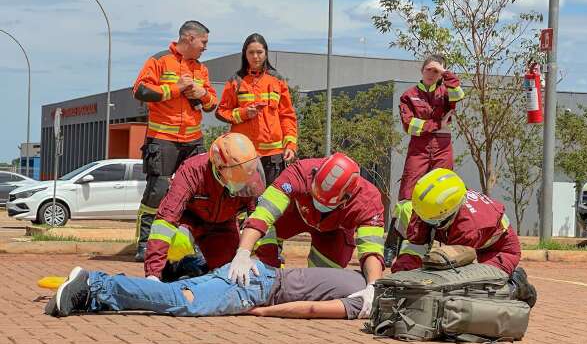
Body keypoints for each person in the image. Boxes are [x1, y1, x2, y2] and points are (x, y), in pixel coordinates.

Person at [226, 152, 386, 318]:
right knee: (266, 236)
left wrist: (373, 286)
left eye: (324, 203)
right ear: (315, 175)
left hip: (334, 231)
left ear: (347, 198)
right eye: (316, 197)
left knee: (322, 283)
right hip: (294, 216)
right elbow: (263, 213)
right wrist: (243, 252)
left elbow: (371, 249)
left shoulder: (369, 200)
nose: (319, 205)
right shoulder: (299, 172)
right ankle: (269, 281)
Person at [133, 20, 218, 262]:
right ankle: (144, 245)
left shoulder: (201, 69)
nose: (205, 47)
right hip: (162, 138)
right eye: (204, 42)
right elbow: (139, 90)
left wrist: (203, 95)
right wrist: (175, 88)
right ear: (190, 38)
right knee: (157, 191)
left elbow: (212, 104)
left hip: (193, 140)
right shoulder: (159, 60)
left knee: (198, 194)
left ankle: (193, 245)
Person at [390, 168, 537, 307]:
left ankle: (516, 285)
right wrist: (400, 278)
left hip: (501, 249)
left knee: (475, 293)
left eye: (433, 222)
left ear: (452, 213)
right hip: (476, 240)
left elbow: (451, 271)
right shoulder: (426, 206)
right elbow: (415, 245)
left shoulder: (467, 226)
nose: (426, 224)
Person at [44, 261, 367, 320]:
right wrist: (264, 311)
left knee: (179, 291)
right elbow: (311, 309)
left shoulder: (362, 277)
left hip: (254, 272)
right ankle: (95, 283)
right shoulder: (364, 301)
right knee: (184, 303)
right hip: (258, 289)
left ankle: (93, 297)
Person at [143, 133, 267, 281]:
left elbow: (259, 220)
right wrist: (153, 274)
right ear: (219, 167)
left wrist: (269, 262)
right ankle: (172, 268)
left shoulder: (249, 175)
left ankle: (199, 266)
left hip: (223, 225)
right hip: (188, 222)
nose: (243, 181)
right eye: (236, 176)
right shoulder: (192, 171)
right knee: (177, 242)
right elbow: (165, 220)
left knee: (228, 273)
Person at [384, 54, 465, 266]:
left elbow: (459, 93)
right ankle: (393, 243)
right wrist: (437, 124)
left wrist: (445, 73)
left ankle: (429, 246)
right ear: (421, 71)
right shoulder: (409, 95)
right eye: (428, 69)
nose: (431, 73)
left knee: (442, 196)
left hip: (442, 147)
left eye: (436, 71)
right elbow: (410, 125)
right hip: (419, 148)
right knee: (406, 199)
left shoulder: (447, 92)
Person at [215, 33, 298, 185]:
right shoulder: (236, 81)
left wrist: (290, 145)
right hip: (243, 154)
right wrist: (244, 113)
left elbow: (287, 116)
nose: (255, 56)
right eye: (251, 52)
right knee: (245, 201)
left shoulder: (277, 80)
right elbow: (221, 112)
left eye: (259, 52)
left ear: (266, 53)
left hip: (274, 156)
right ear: (244, 54)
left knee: (270, 201)